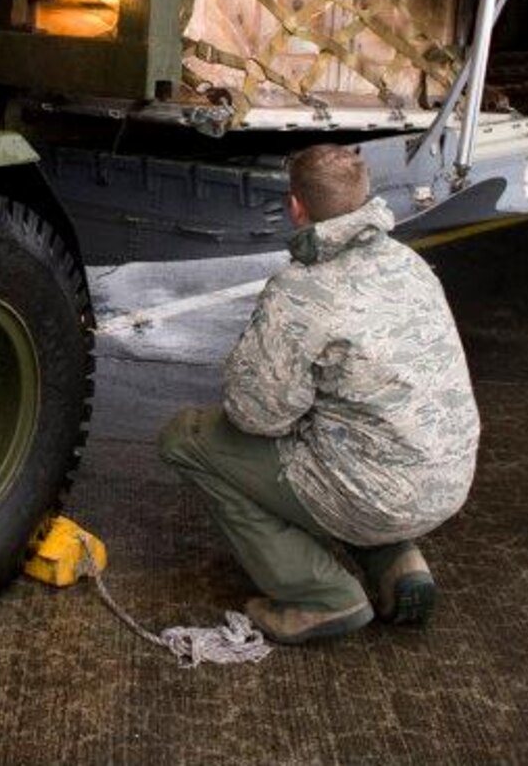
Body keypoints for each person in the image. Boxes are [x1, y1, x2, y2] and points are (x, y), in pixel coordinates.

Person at [159, 144, 480, 645]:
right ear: (364, 197)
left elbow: (255, 415)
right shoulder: (409, 264)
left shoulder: (300, 289)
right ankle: (397, 561)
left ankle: (321, 596)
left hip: (375, 494)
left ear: (296, 208)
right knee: (356, 433)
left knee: (187, 439)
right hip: (446, 479)